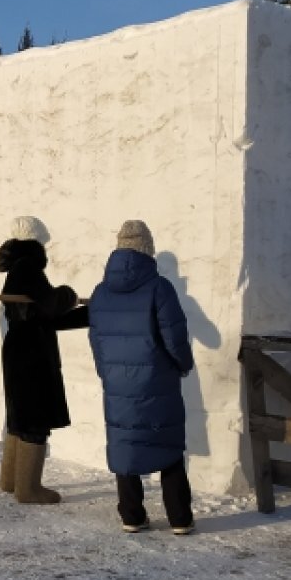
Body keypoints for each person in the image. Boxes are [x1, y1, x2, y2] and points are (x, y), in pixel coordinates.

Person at [86, 219, 196, 534]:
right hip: (157, 380)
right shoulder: (160, 287)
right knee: (169, 445)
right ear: (148, 250)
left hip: (117, 381)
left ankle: (132, 515)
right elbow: (174, 336)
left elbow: (96, 339)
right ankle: (179, 518)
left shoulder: (101, 291)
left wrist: (105, 371)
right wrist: (183, 363)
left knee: (125, 442)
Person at [0, 216, 81, 504]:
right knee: (34, 416)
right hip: (31, 351)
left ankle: (11, 480)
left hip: (19, 346)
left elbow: (40, 312)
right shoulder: (28, 266)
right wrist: (69, 294)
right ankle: (28, 488)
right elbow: (50, 305)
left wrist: (85, 316)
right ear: (35, 239)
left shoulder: (18, 268)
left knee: (21, 414)